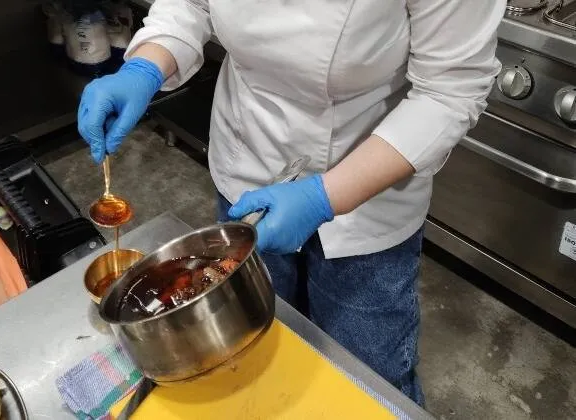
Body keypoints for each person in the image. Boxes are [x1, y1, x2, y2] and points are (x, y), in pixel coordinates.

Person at [78, 0, 506, 405]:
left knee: (369, 380)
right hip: (248, 160)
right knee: (251, 350)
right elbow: (193, 4)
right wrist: (145, 66)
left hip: (370, 185)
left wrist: (323, 197)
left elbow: (450, 92)